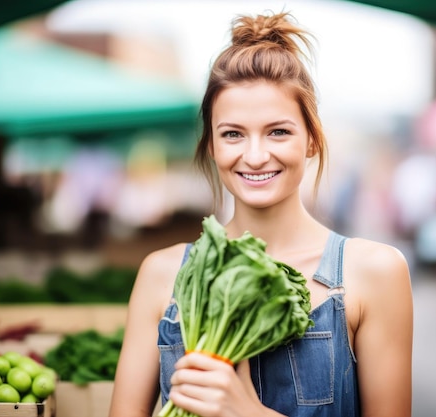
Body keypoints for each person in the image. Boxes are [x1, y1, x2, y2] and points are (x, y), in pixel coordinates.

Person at [109, 11, 413, 417]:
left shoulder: (374, 272)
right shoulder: (161, 274)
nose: (254, 156)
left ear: (310, 140)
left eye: (278, 131)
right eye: (232, 134)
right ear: (212, 146)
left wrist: (246, 412)